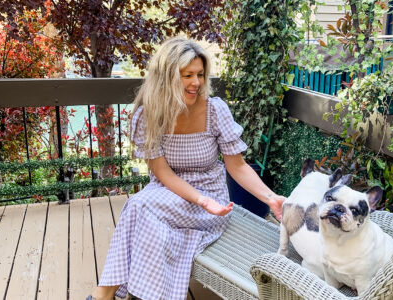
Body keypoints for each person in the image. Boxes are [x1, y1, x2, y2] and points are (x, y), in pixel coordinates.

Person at [87, 37, 286, 300]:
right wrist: (198, 199)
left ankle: (103, 295)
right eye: (188, 75)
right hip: (169, 193)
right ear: (166, 77)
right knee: (146, 217)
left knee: (139, 207)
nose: (197, 83)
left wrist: (271, 198)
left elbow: (236, 166)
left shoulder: (215, 111)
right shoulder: (148, 116)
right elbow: (163, 173)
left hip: (212, 200)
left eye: (201, 74)